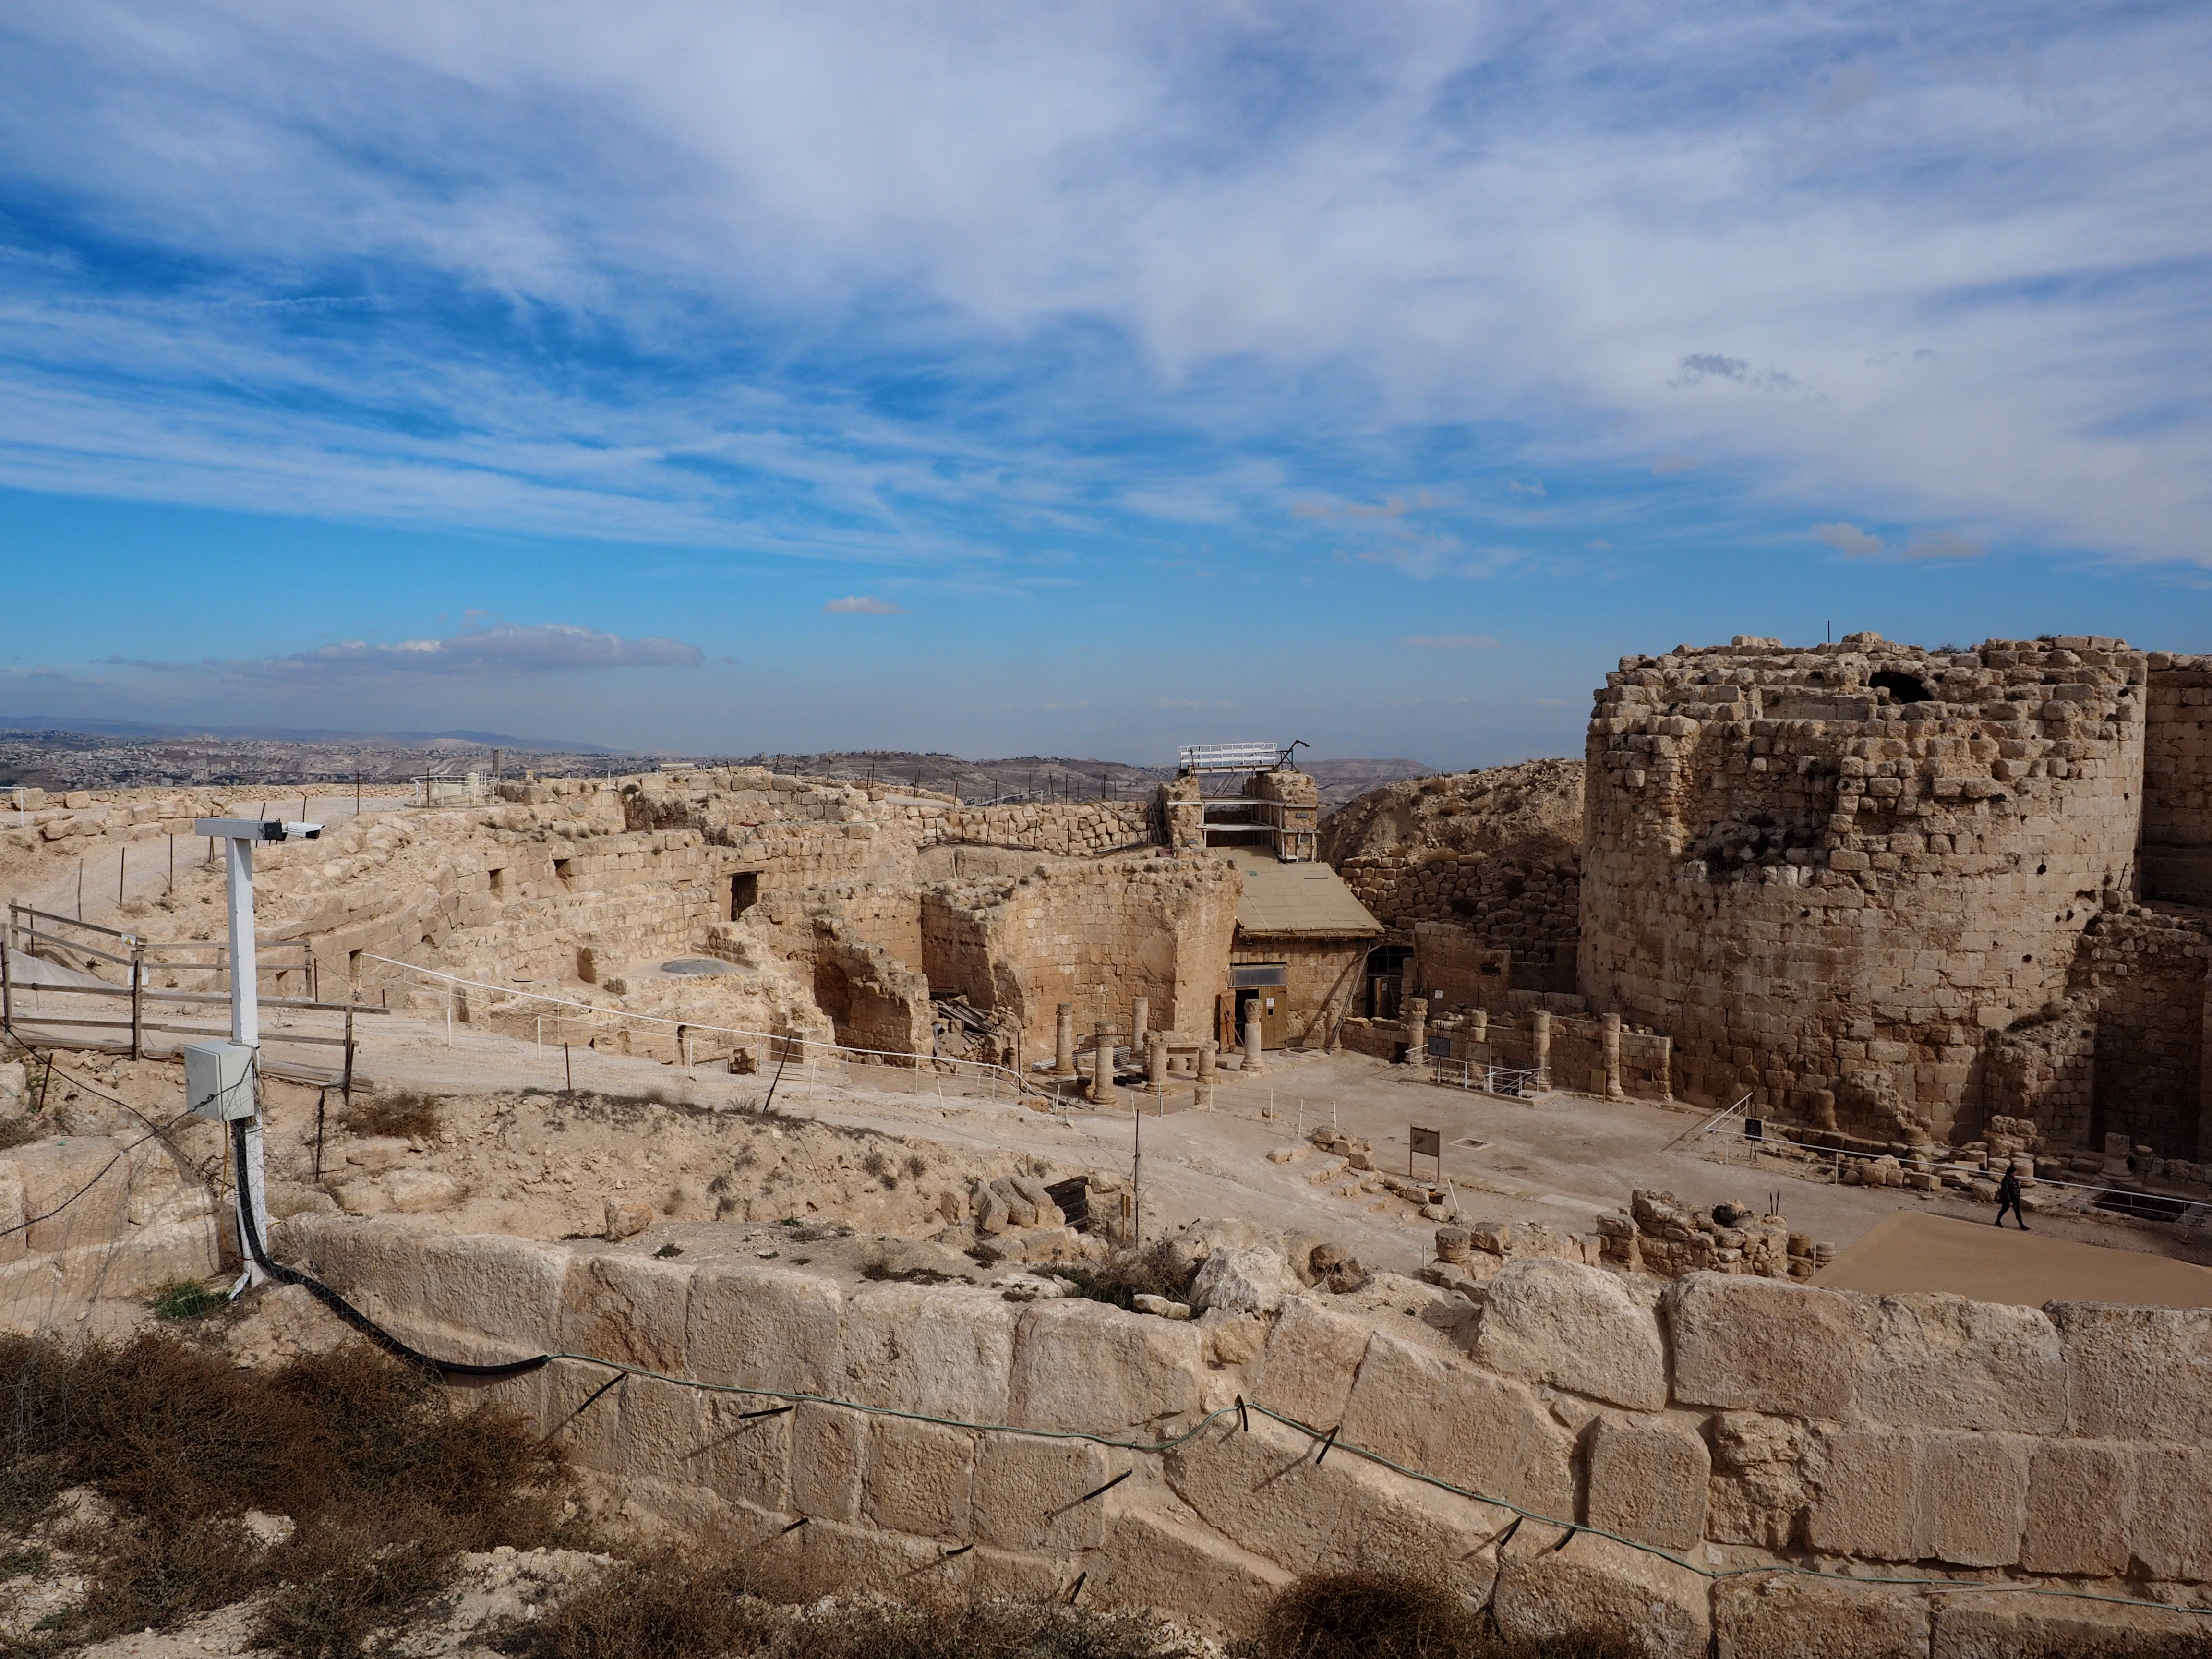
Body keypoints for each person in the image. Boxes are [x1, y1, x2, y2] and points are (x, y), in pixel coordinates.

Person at [1995, 1166, 2029, 1230]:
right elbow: (2006, 1191)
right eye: (2015, 1172)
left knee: (2018, 1212)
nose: (2016, 1173)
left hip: (2015, 1199)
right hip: (2009, 1200)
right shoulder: (2006, 1180)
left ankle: (2021, 1225)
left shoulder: (2013, 1179)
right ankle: (1998, 1222)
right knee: (2004, 1211)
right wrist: (2009, 1201)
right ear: (2011, 1173)